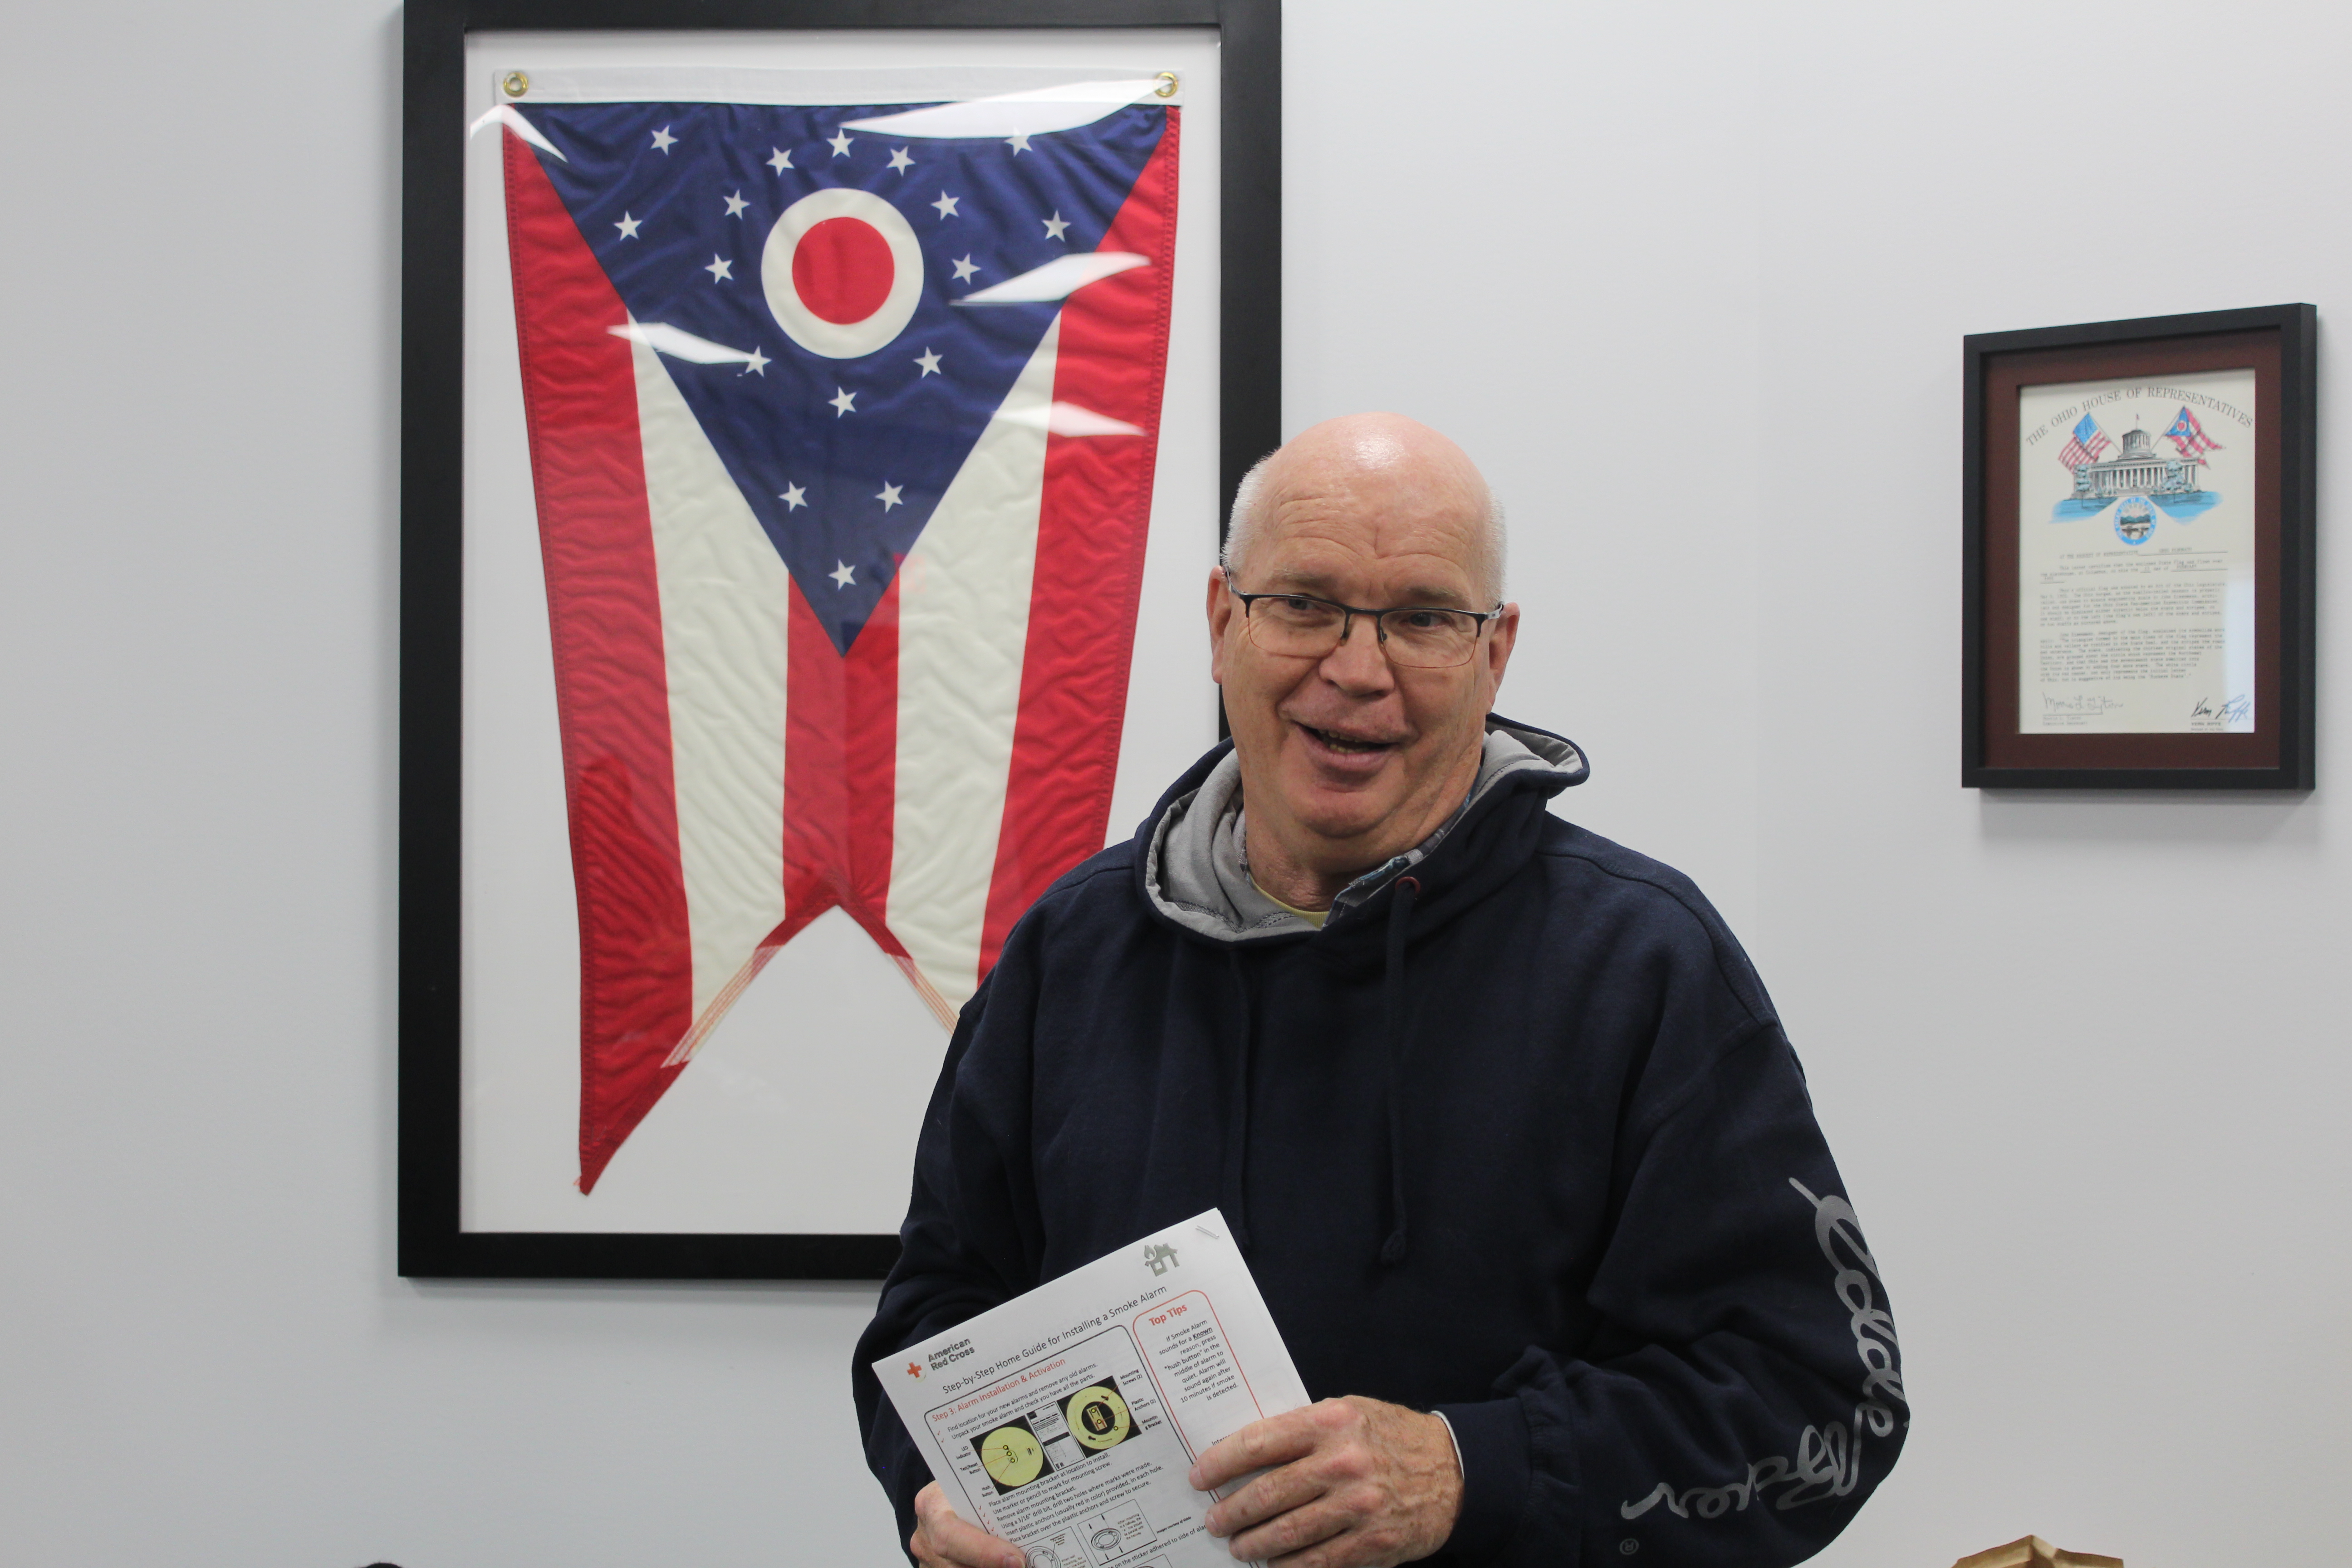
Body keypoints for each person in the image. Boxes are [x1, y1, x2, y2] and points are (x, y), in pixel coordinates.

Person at [852, 414, 1905, 1568]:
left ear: (1495, 654)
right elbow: (933, 1318)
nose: (1358, 671)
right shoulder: (1073, 951)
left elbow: (1821, 1405)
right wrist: (936, 1499)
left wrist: (1471, 1470)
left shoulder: (1643, 965)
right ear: (1222, 623)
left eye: (1423, 618)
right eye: (1304, 603)